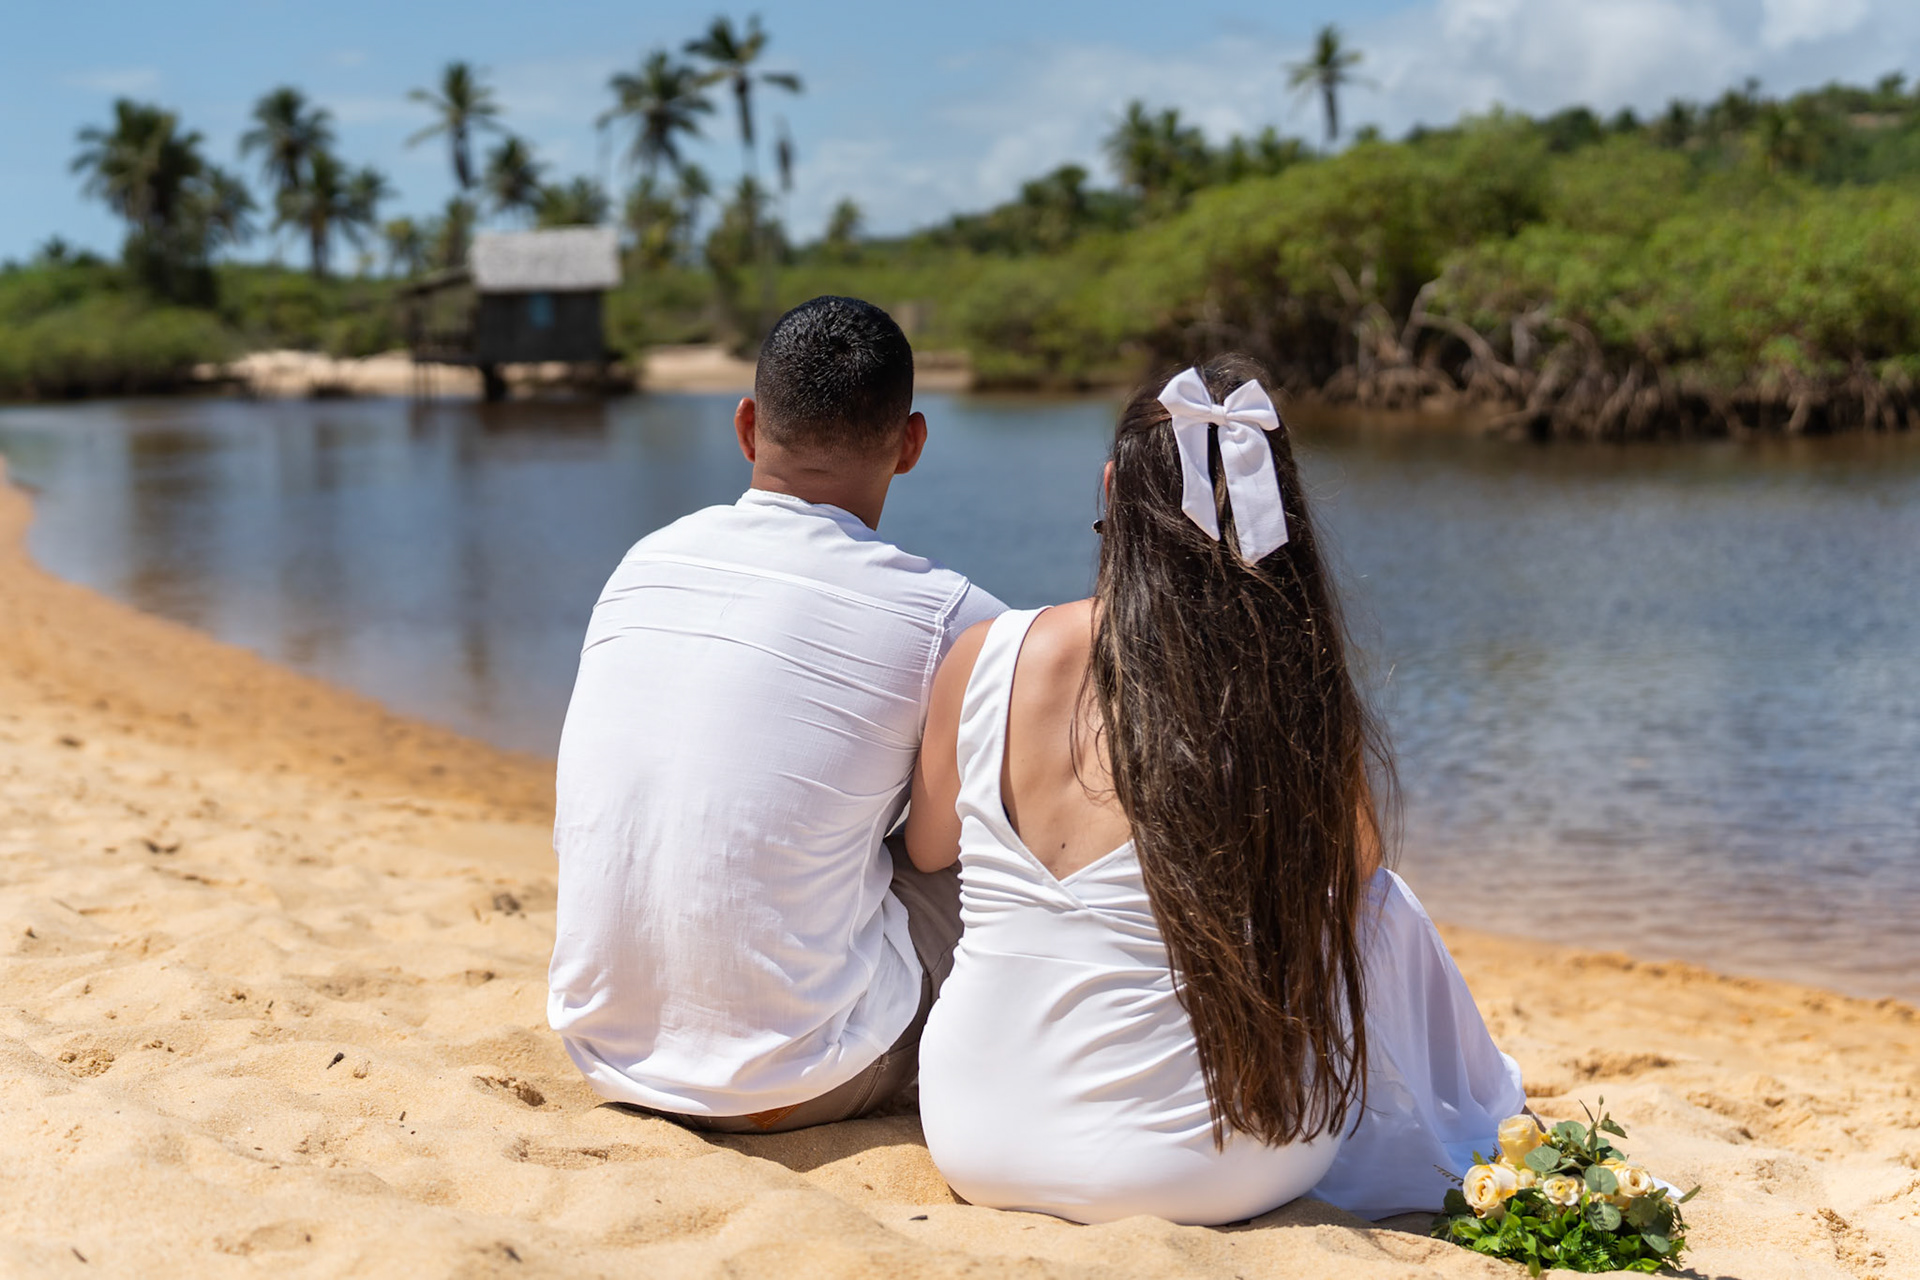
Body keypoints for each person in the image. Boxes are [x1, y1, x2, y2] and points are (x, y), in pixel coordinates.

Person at [907, 356, 1525, 1225]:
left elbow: (930, 849)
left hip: (976, 1138)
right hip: (1207, 1172)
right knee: (1380, 903)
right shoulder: (1284, 679)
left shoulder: (988, 655)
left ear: (1113, 488)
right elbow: (1356, 872)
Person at [549, 296, 1003, 1133]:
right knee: (1012, 829)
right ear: (910, 445)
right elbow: (945, 845)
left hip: (604, 1051)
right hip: (796, 1077)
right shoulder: (952, 617)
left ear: (749, 427)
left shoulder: (645, 561)